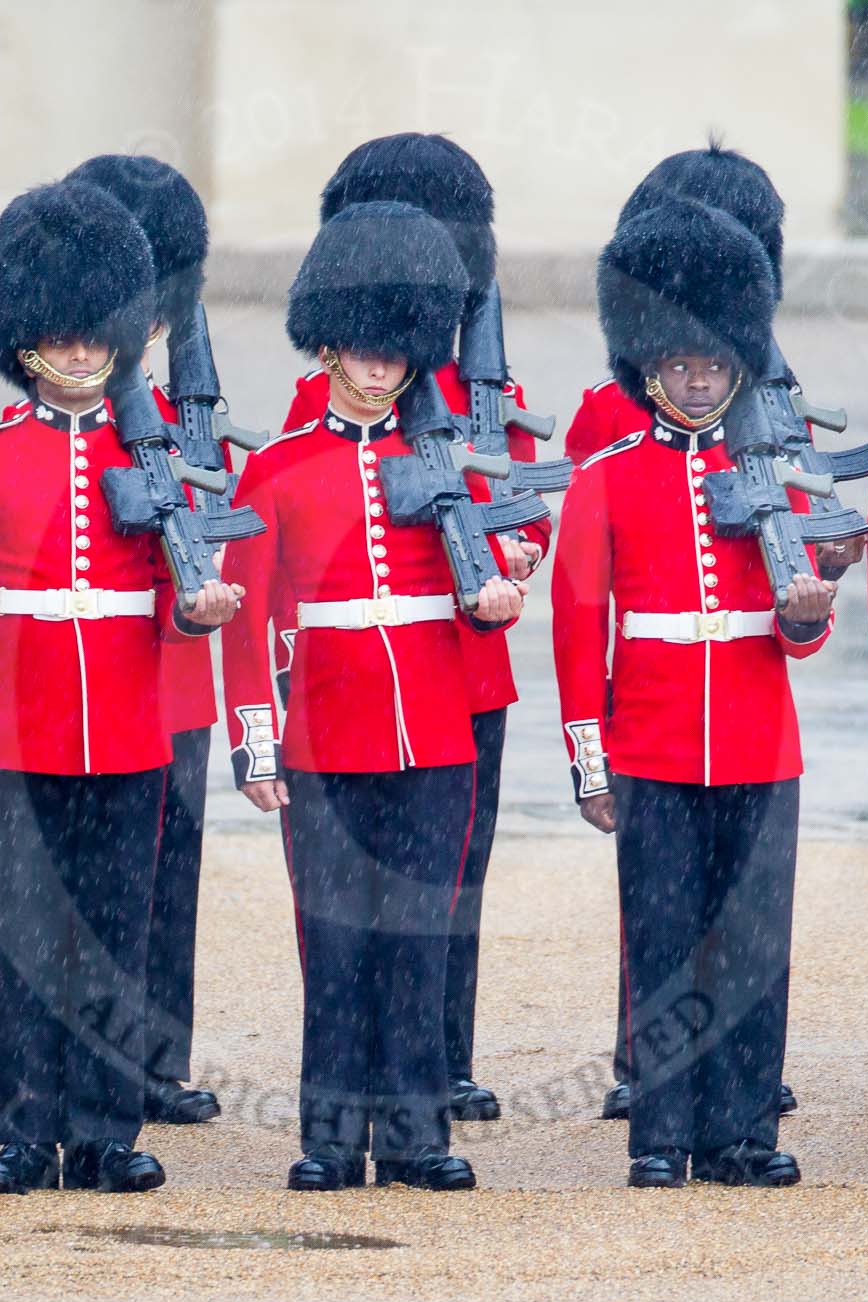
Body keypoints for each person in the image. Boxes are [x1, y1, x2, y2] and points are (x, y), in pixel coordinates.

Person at [0, 180, 238, 1195]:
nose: (78, 357)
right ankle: (23, 1127)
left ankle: (106, 1128)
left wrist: (198, 609)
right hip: (20, 730)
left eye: (92, 340)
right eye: (60, 341)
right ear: (27, 345)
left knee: (112, 937)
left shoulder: (150, 461)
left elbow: (172, 594)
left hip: (130, 729)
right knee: (29, 938)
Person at [222, 201, 526, 1192]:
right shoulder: (275, 470)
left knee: (417, 938)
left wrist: (499, 589)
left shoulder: (447, 467)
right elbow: (247, 623)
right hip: (322, 736)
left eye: (396, 352)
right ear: (329, 348)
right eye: (363, 350)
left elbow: (487, 593)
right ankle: (328, 1136)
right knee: (337, 942)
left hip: (433, 736)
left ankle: (414, 1136)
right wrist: (257, 746)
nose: (380, 369)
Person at [555, 196, 828, 1188]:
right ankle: (662, 1133)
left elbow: (800, 629)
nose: (699, 381)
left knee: (750, 948)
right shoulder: (608, 477)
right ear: (647, 370)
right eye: (678, 366)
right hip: (653, 746)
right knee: (666, 944)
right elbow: (579, 630)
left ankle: (741, 1131)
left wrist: (804, 611)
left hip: (757, 740)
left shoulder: (774, 477)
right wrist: (591, 760)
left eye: (713, 365)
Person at [279, 132, 542, 1124]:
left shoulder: (484, 395)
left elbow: (521, 498)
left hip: (464, 667)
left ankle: (440, 1064)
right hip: (359, 685)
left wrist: (517, 551)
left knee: (448, 882)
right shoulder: (321, 405)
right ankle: (352, 1084)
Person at [63, 152, 227, 1127]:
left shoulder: (180, 427)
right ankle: (80, 1067)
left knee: (168, 884)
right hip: (89, 682)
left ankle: (155, 1060)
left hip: (173, 682)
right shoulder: (55, 427)